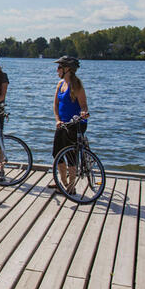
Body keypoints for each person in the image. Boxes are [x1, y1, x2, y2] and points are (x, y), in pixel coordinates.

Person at [50, 56, 89, 191]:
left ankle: (71, 187)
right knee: (56, 153)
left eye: (59, 67)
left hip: (75, 123)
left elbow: (84, 106)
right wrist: (57, 120)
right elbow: (55, 104)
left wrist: (83, 113)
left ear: (67, 69)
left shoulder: (76, 85)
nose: (57, 70)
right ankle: (62, 181)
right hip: (62, 123)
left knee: (70, 155)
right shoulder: (60, 84)